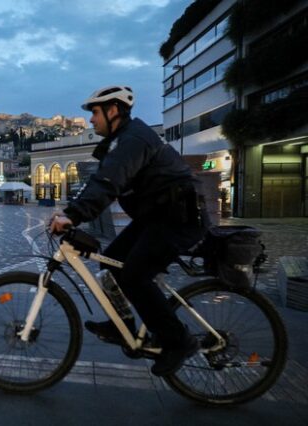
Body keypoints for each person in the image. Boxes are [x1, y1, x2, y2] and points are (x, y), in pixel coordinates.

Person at [49, 85, 207, 376]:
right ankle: (121, 325)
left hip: (179, 218)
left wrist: (73, 215)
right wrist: (71, 210)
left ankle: (179, 341)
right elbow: (99, 181)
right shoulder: (121, 141)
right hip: (158, 216)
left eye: (95, 113)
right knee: (111, 266)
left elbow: (109, 182)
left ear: (113, 111)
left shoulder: (133, 139)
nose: (90, 121)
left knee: (135, 275)